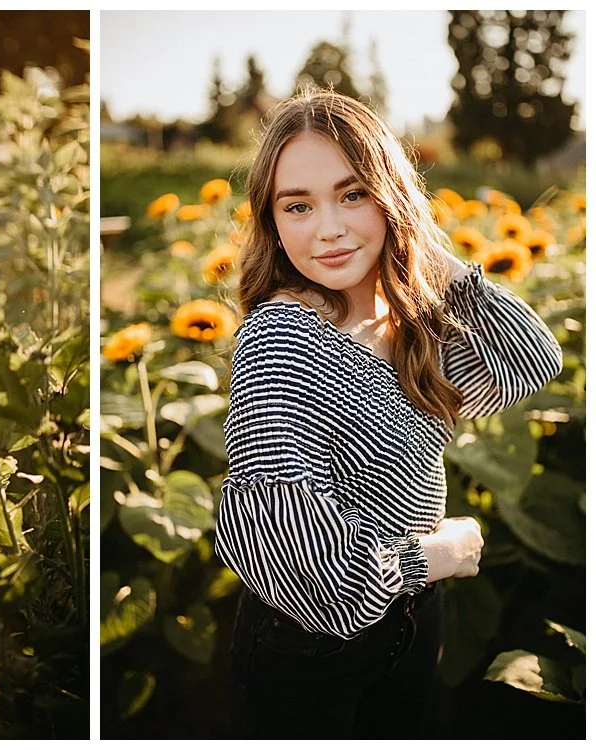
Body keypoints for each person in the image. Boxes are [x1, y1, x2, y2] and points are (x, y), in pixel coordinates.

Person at [214, 89, 564, 739]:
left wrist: (420, 246)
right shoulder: (283, 339)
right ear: (273, 223)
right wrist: (438, 553)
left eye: (354, 194)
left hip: (410, 616)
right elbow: (304, 564)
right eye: (298, 205)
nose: (329, 228)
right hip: (311, 645)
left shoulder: (405, 320)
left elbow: (531, 358)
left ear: (391, 195)